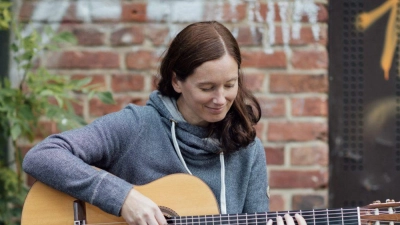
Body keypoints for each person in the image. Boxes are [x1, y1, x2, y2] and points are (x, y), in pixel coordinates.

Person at [22, 21, 306, 225]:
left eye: (230, 85)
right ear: (176, 81)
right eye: (207, 88)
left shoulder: (247, 149)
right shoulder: (137, 127)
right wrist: (123, 198)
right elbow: (43, 156)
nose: (221, 99)